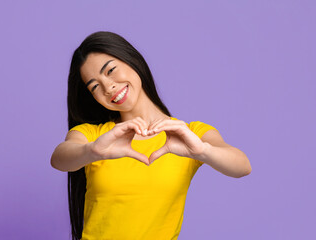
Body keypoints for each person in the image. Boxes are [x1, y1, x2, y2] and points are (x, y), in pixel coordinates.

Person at [50, 31, 252, 240]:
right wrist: (92, 151)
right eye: (94, 86)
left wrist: (202, 150)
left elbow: (242, 166)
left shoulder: (188, 134)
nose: (108, 87)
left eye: (110, 70)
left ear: (131, 59)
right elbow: (60, 158)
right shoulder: (94, 135)